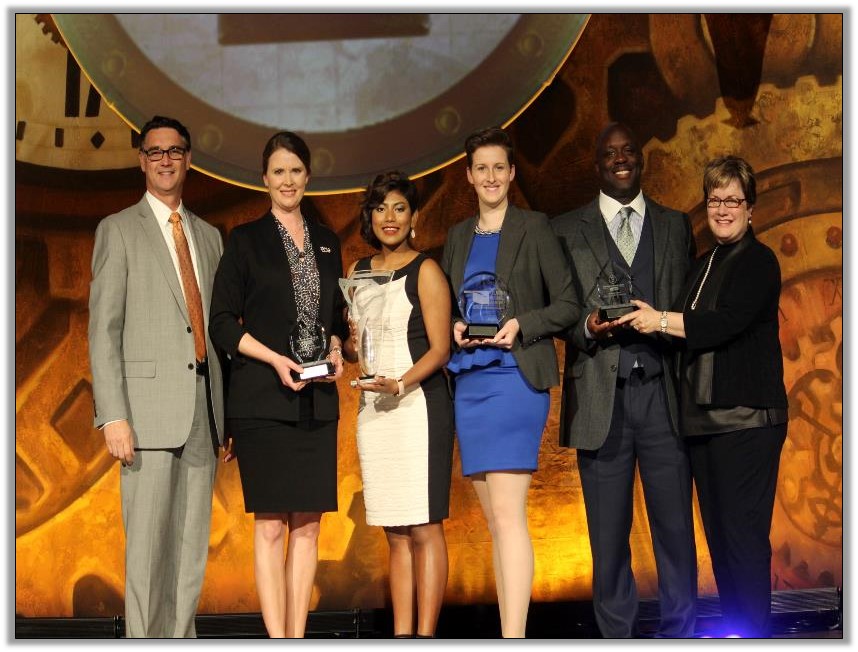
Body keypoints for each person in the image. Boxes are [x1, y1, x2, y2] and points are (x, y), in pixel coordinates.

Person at [616, 155, 788, 638]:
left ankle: (755, 635)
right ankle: (739, 633)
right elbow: (686, 328)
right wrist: (648, 319)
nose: (723, 208)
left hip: (747, 422)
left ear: (750, 208)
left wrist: (662, 320)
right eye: (715, 199)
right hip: (704, 426)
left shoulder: (759, 260)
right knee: (721, 541)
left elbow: (724, 323)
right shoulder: (703, 263)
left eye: (733, 199)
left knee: (743, 541)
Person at [552, 122, 698, 638]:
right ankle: (618, 640)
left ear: (642, 159)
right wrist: (586, 326)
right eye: (609, 153)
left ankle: (682, 635)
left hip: (663, 397)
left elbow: (690, 308)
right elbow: (558, 309)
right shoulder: (566, 229)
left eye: (629, 150)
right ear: (596, 166)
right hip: (601, 399)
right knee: (608, 536)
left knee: (676, 530)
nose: (621, 159)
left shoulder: (676, 226)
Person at [88, 115, 225, 637]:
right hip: (144, 417)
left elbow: (216, 334)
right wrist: (114, 415)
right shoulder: (118, 229)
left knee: (191, 550)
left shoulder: (209, 237)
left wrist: (223, 415)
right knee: (146, 550)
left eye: (175, 151)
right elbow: (104, 331)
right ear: (142, 160)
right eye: (155, 152)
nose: (166, 160)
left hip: (201, 413)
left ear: (188, 159)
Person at [440, 126, 580, 638]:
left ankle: (515, 639)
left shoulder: (535, 227)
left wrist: (523, 323)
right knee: (495, 523)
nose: (491, 176)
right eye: (482, 168)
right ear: (469, 176)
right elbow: (450, 306)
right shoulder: (457, 236)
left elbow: (567, 303)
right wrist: (453, 328)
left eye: (500, 167)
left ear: (513, 173)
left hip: (515, 379)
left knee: (507, 515)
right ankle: (509, 632)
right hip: (470, 383)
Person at [208, 131, 347, 638]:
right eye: (278, 171)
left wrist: (334, 348)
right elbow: (222, 322)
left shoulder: (328, 242)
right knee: (269, 526)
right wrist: (275, 360)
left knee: (308, 526)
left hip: (317, 401)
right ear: (264, 179)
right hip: (263, 401)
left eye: (296, 170)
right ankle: (277, 641)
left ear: (307, 177)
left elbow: (337, 317)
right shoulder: (245, 240)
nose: (288, 180)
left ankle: (298, 637)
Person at [342, 171, 454, 638]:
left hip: (417, 410)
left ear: (413, 218)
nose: (390, 217)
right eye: (380, 208)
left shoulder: (426, 270)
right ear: (369, 217)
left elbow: (441, 349)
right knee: (394, 530)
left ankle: (425, 637)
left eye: (399, 208)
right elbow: (357, 347)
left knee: (424, 527)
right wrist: (348, 349)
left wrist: (401, 384)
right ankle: (402, 636)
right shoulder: (357, 272)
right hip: (375, 414)